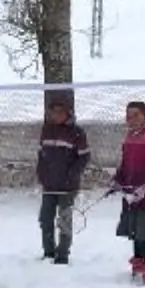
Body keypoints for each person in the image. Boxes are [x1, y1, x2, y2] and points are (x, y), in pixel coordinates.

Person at [111, 101, 145, 284]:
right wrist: (117, 180)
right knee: (135, 233)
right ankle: (138, 267)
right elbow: (125, 164)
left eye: (136, 115)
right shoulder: (129, 137)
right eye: (128, 115)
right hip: (131, 193)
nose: (131, 119)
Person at [36, 100, 90, 264]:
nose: (57, 115)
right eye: (54, 111)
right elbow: (41, 155)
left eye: (61, 111)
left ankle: (63, 253)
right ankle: (48, 252)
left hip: (67, 187)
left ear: (68, 113)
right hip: (49, 185)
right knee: (45, 219)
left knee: (64, 220)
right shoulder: (46, 130)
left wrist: (72, 175)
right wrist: (41, 173)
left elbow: (84, 157)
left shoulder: (77, 132)